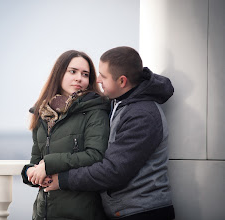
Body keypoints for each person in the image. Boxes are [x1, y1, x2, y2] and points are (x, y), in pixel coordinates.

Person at [42, 46, 176, 220]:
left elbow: (114, 171)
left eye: (103, 76)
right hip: (126, 211)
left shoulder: (143, 115)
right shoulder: (119, 101)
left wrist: (61, 180)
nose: (97, 80)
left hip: (142, 213)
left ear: (122, 81)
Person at [21, 50, 110, 220]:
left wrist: (49, 164)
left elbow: (96, 155)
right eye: (73, 71)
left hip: (81, 211)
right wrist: (29, 173)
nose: (79, 78)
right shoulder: (42, 114)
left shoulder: (95, 110)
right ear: (59, 73)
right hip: (43, 213)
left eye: (85, 74)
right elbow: (35, 160)